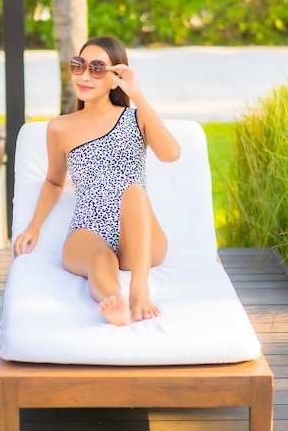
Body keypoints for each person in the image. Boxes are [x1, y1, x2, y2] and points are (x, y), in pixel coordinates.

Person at [14, 36, 180, 326]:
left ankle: (139, 290)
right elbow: (54, 182)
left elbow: (171, 153)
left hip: (138, 233)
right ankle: (113, 302)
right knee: (100, 259)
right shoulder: (60, 128)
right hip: (88, 228)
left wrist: (138, 95)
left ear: (116, 77)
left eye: (97, 68)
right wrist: (34, 224)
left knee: (135, 192)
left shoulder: (137, 118)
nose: (85, 76)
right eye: (79, 66)